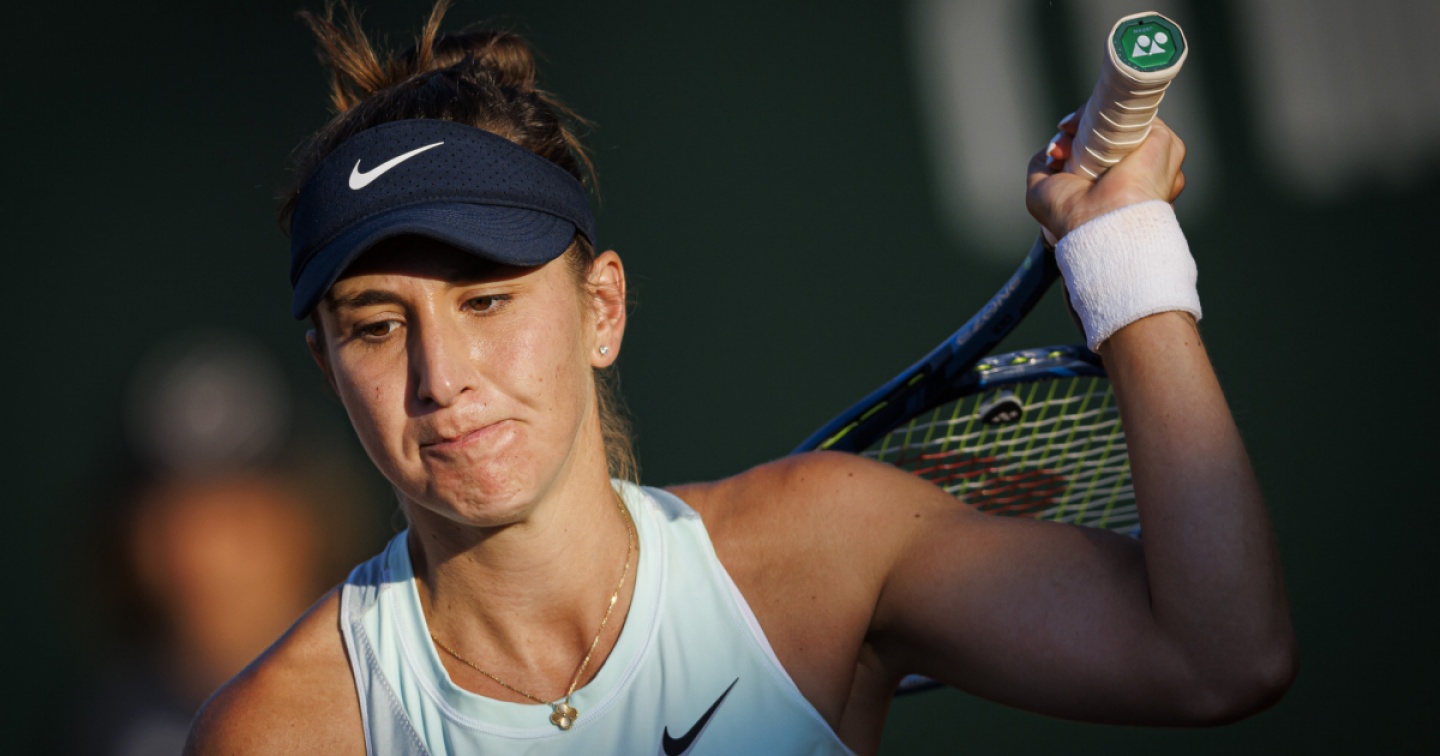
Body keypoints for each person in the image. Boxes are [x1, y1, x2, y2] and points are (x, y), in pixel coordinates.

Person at [186, 2, 1296, 754]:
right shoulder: (285, 733)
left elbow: (1222, 658)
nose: (442, 377)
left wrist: (1120, 249)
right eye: (379, 327)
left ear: (601, 309)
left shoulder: (822, 553)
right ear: (327, 364)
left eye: (488, 301)